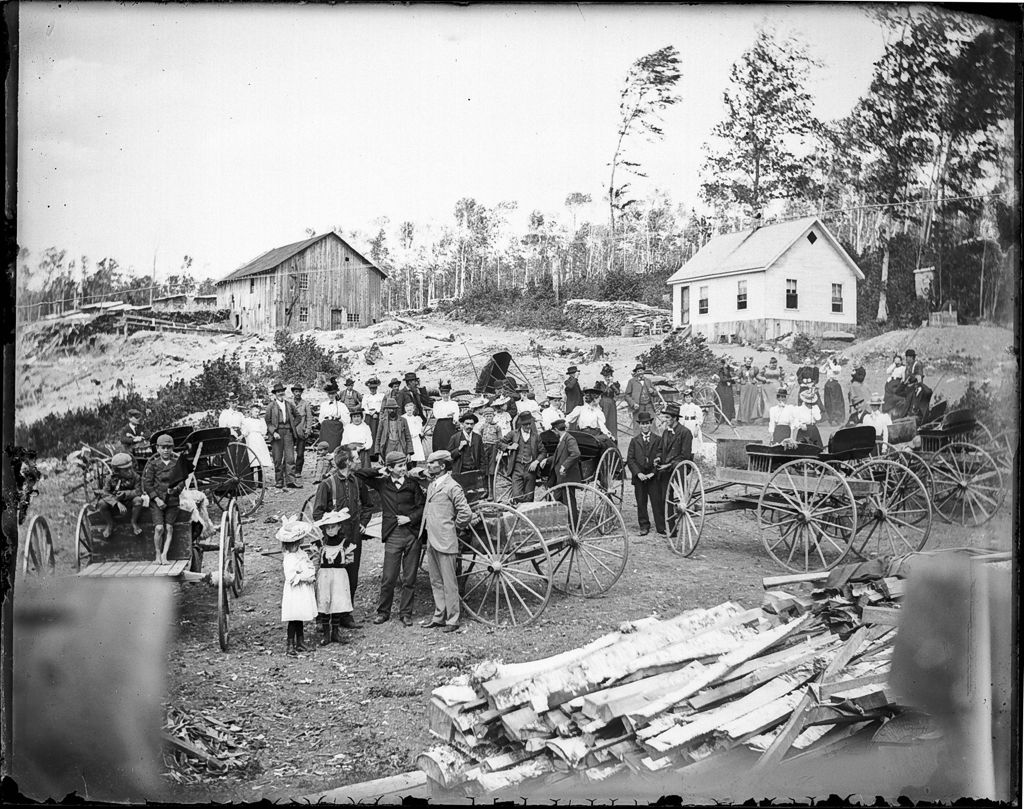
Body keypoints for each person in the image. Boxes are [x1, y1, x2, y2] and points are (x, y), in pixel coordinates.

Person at [355, 451, 425, 627]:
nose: (403, 469)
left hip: (412, 534)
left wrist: (410, 518)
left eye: (404, 465)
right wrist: (378, 470)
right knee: (388, 577)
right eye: (399, 466)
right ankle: (383, 612)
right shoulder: (383, 484)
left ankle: (406, 613)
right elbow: (359, 474)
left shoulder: (412, 484)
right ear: (390, 468)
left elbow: (423, 507)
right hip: (393, 534)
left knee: (409, 578)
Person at [312, 447, 372, 630]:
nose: (359, 461)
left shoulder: (357, 482)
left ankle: (345, 614)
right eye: (356, 458)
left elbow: (368, 505)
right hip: (332, 542)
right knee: (328, 578)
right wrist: (331, 528)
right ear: (347, 462)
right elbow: (317, 513)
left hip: (353, 538)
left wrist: (363, 523)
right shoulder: (327, 484)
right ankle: (323, 618)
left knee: (351, 576)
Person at [419, 450, 472, 633]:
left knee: (449, 583)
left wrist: (453, 528)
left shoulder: (452, 486)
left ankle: (453, 619)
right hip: (432, 540)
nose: (428, 465)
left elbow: (465, 513)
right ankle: (439, 616)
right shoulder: (433, 484)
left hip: (446, 540)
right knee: (436, 581)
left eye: (432, 463)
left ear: (442, 466)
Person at [312, 508, 355, 646]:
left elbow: (349, 559)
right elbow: (316, 561)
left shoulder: (345, 543)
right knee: (325, 602)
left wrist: (339, 566)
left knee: (336, 602)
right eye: (327, 528)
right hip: (324, 576)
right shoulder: (320, 544)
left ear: (339, 527)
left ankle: (335, 632)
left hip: (339, 576)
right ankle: (326, 634)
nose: (330, 530)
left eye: (333, 527)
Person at [277, 516, 319, 656]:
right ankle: (290, 644)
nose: (295, 546)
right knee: (293, 618)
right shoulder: (289, 558)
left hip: (303, 590)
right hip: (295, 590)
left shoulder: (301, 554)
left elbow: (309, 565)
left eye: (297, 543)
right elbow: (291, 576)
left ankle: (300, 642)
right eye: (292, 544)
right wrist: (303, 576)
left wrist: (309, 573)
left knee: (300, 616)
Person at [142, 433, 186, 564]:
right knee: (159, 528)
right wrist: (156, 499)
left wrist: (175, 490)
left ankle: (164, 555)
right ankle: (157, 555)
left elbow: (182, 481)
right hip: (157, 502)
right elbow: (147, 484)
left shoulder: (177, 464)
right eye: (163, 447)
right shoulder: (153, 465)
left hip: (172, 501)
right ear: (158, 449)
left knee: (169, 528)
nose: (166, 450)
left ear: (172, 448)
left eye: (169, 447)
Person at [656, 402, 693, 537]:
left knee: (682, 498)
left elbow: (685, 455)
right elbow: (661, 449)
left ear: (675, 418)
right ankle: (670, 528)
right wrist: (658, 458)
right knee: (666, 497)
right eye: (664, 417)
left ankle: (682, 522)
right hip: (665, 469)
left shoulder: (685, 432)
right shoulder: (666, 432)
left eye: (667, 418)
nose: (665, 420)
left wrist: (670, 465)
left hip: (679, 468)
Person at [626, 412, 664, 536]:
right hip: (640, 477)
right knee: (641, 502)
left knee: (657, 501)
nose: (645, 426)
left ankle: (661, 526)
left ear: (651, 424)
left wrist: (653, 473)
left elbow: (661, 457)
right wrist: (638, 473)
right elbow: (630, 459)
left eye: (647, 423)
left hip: (653, 477)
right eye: (643, 424)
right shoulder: (634, 441)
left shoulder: (658, 440)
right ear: (639, 425)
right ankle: (644, 526)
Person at [540, 418, 581, 523]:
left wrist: (564, 466)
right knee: (557, 500)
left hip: (567, 477)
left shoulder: (569, 439)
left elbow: (576, 453)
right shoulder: (563, 439)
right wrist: (547, 460)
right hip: (560, 478)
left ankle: (573, 525)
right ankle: (561, 524)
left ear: (556, 430)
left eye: (554, 431)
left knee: (569, 502)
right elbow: (558, 456)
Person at [498, 410, 543, 503]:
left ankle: (526, 510)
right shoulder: (513, 434)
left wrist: (536, 461)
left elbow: (543, 452)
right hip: (517, 468)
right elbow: (499, 443)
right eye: (525, 424)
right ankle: (519, 507)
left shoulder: (536, 436)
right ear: (521, 424)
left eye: (529, 424)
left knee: (529, 497)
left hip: (530, 469)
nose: (528, 426)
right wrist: (509, 447)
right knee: (517, 495)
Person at [97, 452, 144, 537]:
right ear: (117, 471)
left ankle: (133, 521)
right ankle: (110, 523)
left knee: (138, 500)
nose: (130, 471)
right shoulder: (110, 478)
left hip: (129, 502)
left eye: (130, 468)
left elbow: (139, 491)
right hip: (114, 503)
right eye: (126, 470)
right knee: (101, 503)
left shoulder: (136, 477)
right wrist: (117, 503)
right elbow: (105, 493)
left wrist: (126, 494)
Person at [265, 383, 301, 489]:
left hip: (288, 433)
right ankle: (279, 481)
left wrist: (292, 426)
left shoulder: (289, 404)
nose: (280, 393)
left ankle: (291, 481)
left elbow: (298, 416)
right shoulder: (271, 406)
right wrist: (273, 432)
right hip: (277, 433)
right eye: (278, 392)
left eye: (282, 391)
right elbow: (267, 421)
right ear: (275, 394)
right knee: (277, 458)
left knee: (290, 458)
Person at [566, 387, 616, 452]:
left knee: (607, 440)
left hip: (591, 435)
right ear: (594, 399)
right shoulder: (580, 409)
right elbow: (568, 419)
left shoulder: (597, 411)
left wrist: (609, 434)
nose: (600, 399)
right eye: (599, 398)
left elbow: (602, 426)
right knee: (608, 441)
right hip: (588, 436)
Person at [374, 396, 413, 462]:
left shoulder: (403, 421)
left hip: (400, 445)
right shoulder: (383, 421)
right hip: (388, 446)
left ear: (396, 409)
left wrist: (409, 453)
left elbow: (408, 437)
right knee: (389, 464)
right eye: (390, 409)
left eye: (394, 408)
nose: (392, 410)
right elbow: (378, 438)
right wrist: (379, 455)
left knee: (400, 463)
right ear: (387, 409)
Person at [474, 406, 503, 487]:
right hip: (484, 447)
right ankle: (486, 487)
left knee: (492, 466)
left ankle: (492, 487)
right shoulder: (483, 426)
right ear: (484, 417)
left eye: (490, 416)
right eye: (487, 416)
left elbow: (500, 438)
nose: (488, 418)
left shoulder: (497, 427)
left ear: (493, 416)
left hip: (493, 447)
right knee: (484, 465)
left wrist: (499, 451)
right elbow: (480, 436)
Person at [318, 381, 351, 452]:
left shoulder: (341, 405)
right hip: (326, 429)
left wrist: (339, 420)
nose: (331, 396)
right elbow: (320, 419)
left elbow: (347, 420)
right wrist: (327, 420)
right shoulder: (323, 405)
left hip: (336, 429)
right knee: (325, 447)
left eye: (333, 393)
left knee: (335, 447)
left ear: (336, 394)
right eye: (329, 394)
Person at [291, 384, 315, 477]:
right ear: (293, 392)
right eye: (296, 391)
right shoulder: (289, 403)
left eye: (299, 392)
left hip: (301, 431)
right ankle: (289, 470)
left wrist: (308, 430)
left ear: (301, 393)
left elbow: (309, 418)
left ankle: (298, 471)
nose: (298, 393)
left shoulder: (305, 404)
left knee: (300, 453)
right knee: (289, 453)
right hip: (291, 431)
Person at [449, 412, 484, 476]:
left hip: (475, 470)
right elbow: (450, 456)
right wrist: (459, 448)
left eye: (471, 424)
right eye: (467, 423)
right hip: (460, 471)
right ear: (462, 423)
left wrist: (482, 470)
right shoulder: (455, 437)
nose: (469, 426)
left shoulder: (478, 437)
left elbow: (482, 456)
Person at [430, 381, 460, 454]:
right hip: (441, 424)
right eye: (443, 393)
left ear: (449, 393)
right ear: (441, 394)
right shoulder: (437, 404)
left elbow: (456, 413)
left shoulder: (454, 403)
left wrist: (455, 419)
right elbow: (437, 415)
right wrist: (448, 414)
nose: (445, 395)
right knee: (440, 441)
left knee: (450, 440)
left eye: (447, 393)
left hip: (450, 424)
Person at [241, 403, 273, 471]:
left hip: (259, 439)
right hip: (251, 439)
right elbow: (245, 431)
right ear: (251, 411)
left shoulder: (261, 421)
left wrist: (262, 434)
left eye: (258, 412)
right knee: (252, 456)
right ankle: (251, 474)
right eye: (255, 412)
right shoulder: (247, 420)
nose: (257, 413)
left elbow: (264, 430)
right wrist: (244, 434)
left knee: (260, 458)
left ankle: (260, 475)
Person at [903, 348, 932, 422]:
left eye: (907, 357)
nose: (906, 359)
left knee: (917, 394)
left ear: (911, 357)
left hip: (916, 385)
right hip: (909, 386)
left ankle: (915, 412)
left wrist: (913, 380)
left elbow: (919, 377)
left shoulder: (917, 364)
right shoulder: (908, 366)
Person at [595, 364, 621, 440]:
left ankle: (613, 439)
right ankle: (603, 438)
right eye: (605, 376)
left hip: (611, 404)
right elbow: (596, 393)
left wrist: (611, 385)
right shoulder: (600, 384)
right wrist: (607, 386)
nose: (607, 378)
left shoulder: (615, 384)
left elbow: (617, 392)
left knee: (612, 422)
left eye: (608, 376)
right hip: (602, 403)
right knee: (603, 420)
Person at [736, 356, 765, 424]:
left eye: (749, 361)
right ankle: (743, 419)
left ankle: (750, 419)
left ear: (751, 361)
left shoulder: (754, 368)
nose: (748, 362)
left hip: (752, 386)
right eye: (747, 361)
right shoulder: (741, 368)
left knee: (751, 402)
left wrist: (763, 379)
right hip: (744, 386)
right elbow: (738, 378)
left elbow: (757, 376)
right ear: (745, 361)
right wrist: (738, 387)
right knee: (743, 402)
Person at [821, 353, 845, 425]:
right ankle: (830, 418)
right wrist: (826, 363)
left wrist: (830, 362)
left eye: (834, 359)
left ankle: (837, 418)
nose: (834, 360)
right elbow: (821, 370)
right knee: (828, 402)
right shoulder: (829, 367)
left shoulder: (838, 367)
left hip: (835, 385)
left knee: (836, 402)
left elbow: (834, 370)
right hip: (828, 385)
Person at [677, 388, 704, 453]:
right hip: (686, 424)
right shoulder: (682, 408)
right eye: (686, 397)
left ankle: (693, 454)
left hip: (693, 424)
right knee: (685, 439)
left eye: (689, 397)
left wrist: (697, 428)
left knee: (694, 440)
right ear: (684, 398)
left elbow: (699, 418)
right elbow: (681, 418)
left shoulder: (696, 407)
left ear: (692, 398)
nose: (688, 398)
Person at [362, 377, 384, 450]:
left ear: (377, 388)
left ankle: (377, 450)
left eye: (374, 388)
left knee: (378, 432)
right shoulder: (366, 396)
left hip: (378, 415)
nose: (372, 389)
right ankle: (370, 450)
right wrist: (370, 413)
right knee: (369, 432)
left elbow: (382, 406)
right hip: (369, 416)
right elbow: (364, 406)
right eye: (371, 388)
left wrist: (376, 411)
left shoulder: (381, 396)